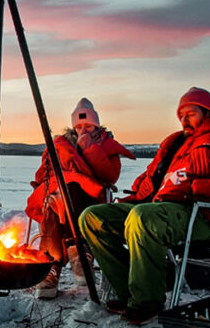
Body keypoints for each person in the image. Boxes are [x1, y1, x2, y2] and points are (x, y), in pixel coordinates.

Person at [78, 87, 210, 325]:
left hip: (199, 215)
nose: (183, 119)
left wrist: (191, 185)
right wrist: (135, 196)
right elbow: (153, 178)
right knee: (91, 217)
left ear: (208, 112)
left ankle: (147, 301)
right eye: (180, 114)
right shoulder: (175, 144)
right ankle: (128, 291)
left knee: (143, 217)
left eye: (190, 113)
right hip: (156, 208)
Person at [26, 98, 135, 299]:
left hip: (91, 197)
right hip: (58, 197)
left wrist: (89, 149)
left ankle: (61, 262)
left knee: (71, 190)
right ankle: (69, 258)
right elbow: (42, 174)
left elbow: (109, 176)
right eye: (79, 126)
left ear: (97, 125)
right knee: (54, 203)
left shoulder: (107, 146)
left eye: (89, 126)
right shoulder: (60, 145)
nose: (83, 129)